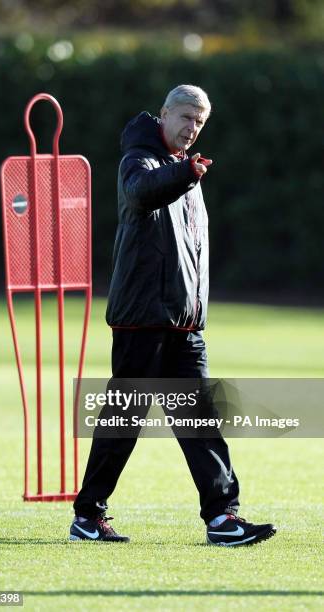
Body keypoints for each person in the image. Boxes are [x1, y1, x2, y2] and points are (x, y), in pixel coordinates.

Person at [69, 84, 276, 546]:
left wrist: (195, 312)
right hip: (142, 320)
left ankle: (222, 519)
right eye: (184, 117)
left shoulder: (185, 171)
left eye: (199, 122)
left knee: (201, 422)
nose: (191, 127)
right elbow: (141, 194)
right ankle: (88, 516)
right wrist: (185, 174)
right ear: (163, 114)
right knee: (123, 424)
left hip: (182, 325)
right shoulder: (138, 159)